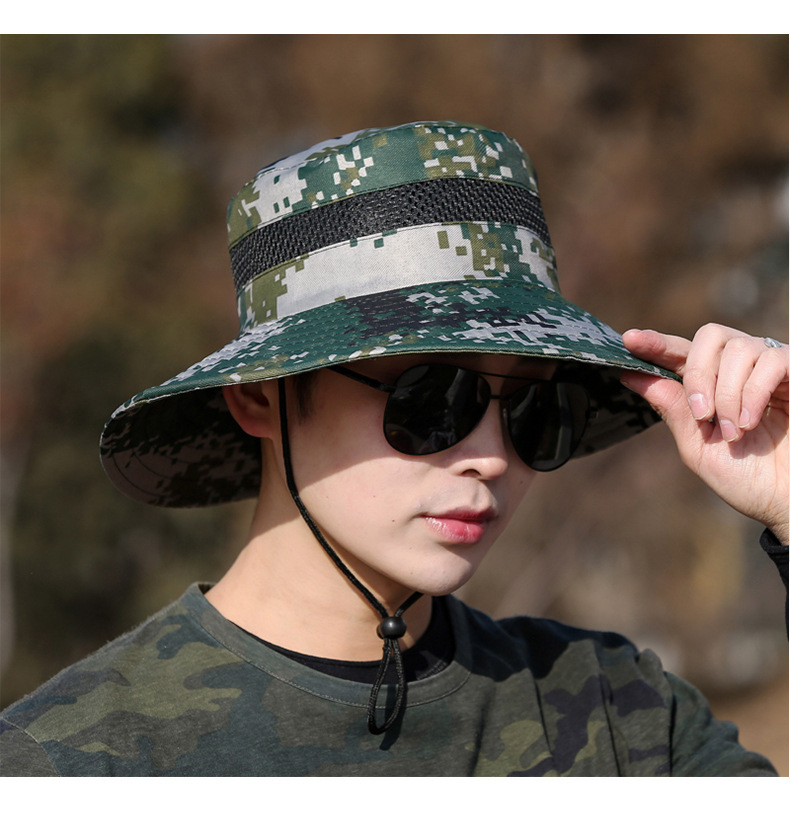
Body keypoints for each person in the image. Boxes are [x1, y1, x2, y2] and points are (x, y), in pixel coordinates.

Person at [0, 121, 786, 776]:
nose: (492, 456)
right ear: (262, 395)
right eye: (431, 399)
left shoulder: (621, 718)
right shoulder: (69, 762)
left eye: (535, 409)